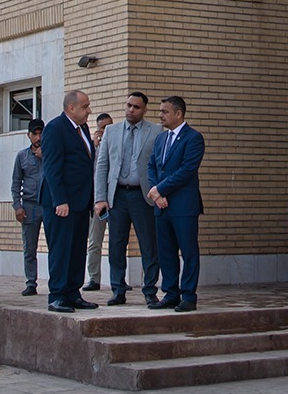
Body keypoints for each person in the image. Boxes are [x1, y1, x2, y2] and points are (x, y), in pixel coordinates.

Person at [94, 90, 162, 306]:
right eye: (128, 105)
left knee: (149, 244)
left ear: (145, 110)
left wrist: (159, 192)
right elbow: (102, 165)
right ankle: (118, 289)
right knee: (116, 244)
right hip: (118, 196)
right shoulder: (111, 131)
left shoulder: (156, 131)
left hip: (143, 196)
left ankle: (150, 290)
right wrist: (100, 198)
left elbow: (160, 165)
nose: (131, 110)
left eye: (136, 107)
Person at [145, 95, 204, 312]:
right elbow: (152, 166)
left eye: (164, 111)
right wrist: (156, 193)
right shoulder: (160, 139)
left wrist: (160, 189)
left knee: (188, 251)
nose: (160, 115)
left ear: (178, 114)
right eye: (160, 111)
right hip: (162, 206)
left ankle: (188, 296)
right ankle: (171, 293)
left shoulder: (193, 138)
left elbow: (187, 170)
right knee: (166, 252)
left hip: (183, 206)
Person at [38, 89, 95, 313]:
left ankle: (73, 292)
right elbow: (52, 168)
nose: (89, 110)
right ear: (71, 108)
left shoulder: (83, 128)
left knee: (77, 248)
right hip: (61, 203)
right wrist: (60, 200)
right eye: (85, 106)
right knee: (61, 249)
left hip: (81, 201)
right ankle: (57, 295)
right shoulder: (55, 128)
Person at [11, 119, 45, 295]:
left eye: (41, 133)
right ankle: (31, 282)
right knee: (29, 247)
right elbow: (16, 182)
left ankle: (57, 282)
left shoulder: (51, 154)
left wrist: (44, 157)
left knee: (56, 245)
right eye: (35, 134)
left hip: (49, 204)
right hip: (30, 205)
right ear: (29, 135)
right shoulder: (22, 156)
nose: (38, 138)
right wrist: (17, 206)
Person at [83, 111, 113, 291]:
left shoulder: (116, 143)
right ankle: (94, 278)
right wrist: (94, 147)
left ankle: (119, 278)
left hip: (115, 199)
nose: (106, 130)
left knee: (118, 241)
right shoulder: (92, 147)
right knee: (94, 241)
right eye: (102, 128)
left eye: (109, 126)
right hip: (98, 201)